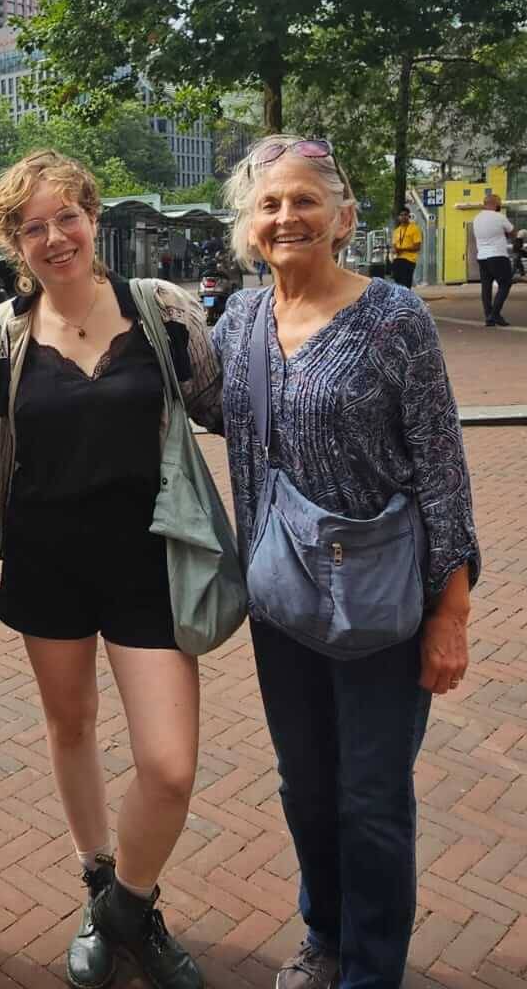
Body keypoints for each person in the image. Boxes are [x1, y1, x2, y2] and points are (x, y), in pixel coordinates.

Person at [211, 136, 478, 989]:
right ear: (249, 228)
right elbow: (177, 398)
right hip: (281, 600)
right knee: (306, 787)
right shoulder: (240, 322)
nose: (286, 216)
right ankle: (325, 935)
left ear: (343, 217)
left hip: (379, 601)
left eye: (303, 201)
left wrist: (450, 614)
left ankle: (370, 970)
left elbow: (441, 467)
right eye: (269, 204)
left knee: (372, 798)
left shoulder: (395, 318)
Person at [0, 150, 221, 989]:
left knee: (169, 765)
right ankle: (96, 880)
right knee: (71, 727)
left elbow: (233, 409)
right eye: (33, 226)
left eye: (67, 217)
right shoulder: (2, 332)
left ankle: (129, 903)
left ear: (93, 216)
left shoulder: (162, 312)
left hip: (149, 554)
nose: (55, 237)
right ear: (16, 242)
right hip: (47, 560)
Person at [471, 196, 515, 327]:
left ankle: (488, 316)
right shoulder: (499, 217)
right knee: (505, 283)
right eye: (499, 203)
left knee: (486, 287)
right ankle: (495, 314)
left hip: (482, 257)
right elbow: (512, 232)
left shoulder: (477, 218)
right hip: (498, 255)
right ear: (496, 204)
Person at [389, 208, 422, 288]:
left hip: (409, 260)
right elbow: (394, 246)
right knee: (397, 283)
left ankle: (407, 298)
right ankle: (400, 299)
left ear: (408, 216)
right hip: (397, 259)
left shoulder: (414, 229)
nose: (403, 217)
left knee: (406, 283)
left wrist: (402, 249)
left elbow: (417, 247)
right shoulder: (396, 231)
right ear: (398, 217)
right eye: (401, 215)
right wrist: (394, 250)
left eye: (405, 215)